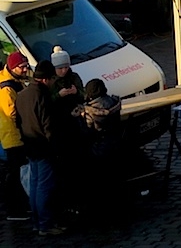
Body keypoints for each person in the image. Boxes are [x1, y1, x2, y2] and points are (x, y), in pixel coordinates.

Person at [15, 61, 63, 236]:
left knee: (35, 186)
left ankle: (37, 222)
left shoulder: (22, 95)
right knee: (44, 187)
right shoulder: (42, 96)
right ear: (45, 80)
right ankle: (46, 224)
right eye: (52, 79)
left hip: (29, 146)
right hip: (43, 148)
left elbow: (17, 122)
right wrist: (55, 147)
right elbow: (48, 125)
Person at [71, 79, 124, 214]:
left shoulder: (90, 111)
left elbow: (87, 132)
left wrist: (79, 118)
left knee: (98, 177)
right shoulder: (113, 103)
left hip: (98, 148)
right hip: (115, 144)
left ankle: (98, 206)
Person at [0, 51, 30, 223]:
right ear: (13, 68)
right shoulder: (7, 88)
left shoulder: (12, 81)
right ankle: (15, 210)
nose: (25, 70)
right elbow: (11, 115)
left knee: (16, 173)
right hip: (12, 137)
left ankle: (19, 207)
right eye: (22, 67)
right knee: (14, 175)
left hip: (13, 136)